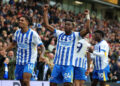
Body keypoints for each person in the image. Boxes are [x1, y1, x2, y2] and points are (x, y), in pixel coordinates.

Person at [43, 5, 90, 86]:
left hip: (68, 65)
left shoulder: (76, 35)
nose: (66, 26)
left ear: (73, 27)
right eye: (65, 24)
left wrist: (87, 17)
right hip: (57, 64)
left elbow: (87, 30)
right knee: (52, 84)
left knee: (68, 84)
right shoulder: (59, 33)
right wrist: (45, 11)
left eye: (69, 25)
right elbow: (47, 25)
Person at [5, 15, 45, 86]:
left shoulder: (33, 34)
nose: (20, 21)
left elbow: (42, 47)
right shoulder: (17, 32)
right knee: (21, 81)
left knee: (26, 80)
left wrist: (41, 55)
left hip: (29, 61)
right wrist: (4, 50)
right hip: (19, 60)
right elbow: (13, 44)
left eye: (22, 20)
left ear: (27, 22)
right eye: (19, 20)